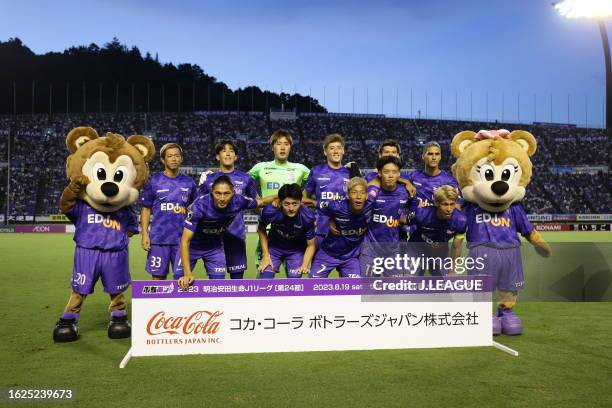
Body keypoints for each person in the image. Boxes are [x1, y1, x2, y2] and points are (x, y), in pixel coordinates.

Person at [176, 176, 275, 288]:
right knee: (179, 283)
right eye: (217, 193)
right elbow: (185, 241)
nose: (222, 198)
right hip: (192, 247)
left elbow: (261, 202)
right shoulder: (199, 206)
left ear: (233, 193)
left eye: (226, 193)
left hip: (214, 248)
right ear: (211, 192)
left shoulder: (239, 201)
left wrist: (281, 196)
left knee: (218, 287)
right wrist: (187, 274)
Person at [199, 140, 259, 279]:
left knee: (237, 282)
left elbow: (257, 201)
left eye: (231, 150)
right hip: (213, 238)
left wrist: (267, 217)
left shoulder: (245, 178)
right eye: (223, 150)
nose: (227, 153)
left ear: (236, 157)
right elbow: (198, 205)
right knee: (217, 281)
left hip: (236, 236)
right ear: (217, 156)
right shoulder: (209, 179)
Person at [140, 143, 197, 279]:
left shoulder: (189, 182)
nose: (174, 159)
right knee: (158, 278)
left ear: (181, 158)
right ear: (163, 160)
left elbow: (195, 209)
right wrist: (144, 235)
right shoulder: (154, 181)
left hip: (182, 240)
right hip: (159, 239)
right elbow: (146, 209)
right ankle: (158, 302)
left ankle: (180, 301)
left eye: (177, 156)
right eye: (170, 156)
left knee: (182, 278)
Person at [258, 183, 316, 278]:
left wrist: (304, 265)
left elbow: (311, 245)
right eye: (287, 204)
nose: (291, 208)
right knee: (265, 279)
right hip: (274, 249)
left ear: (301, 202)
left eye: (295, 204)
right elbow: (261, 229)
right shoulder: (270, 211)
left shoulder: (307, 217)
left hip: (296, 251)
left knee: (294, 285)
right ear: (280, 202)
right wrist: (265, 255)